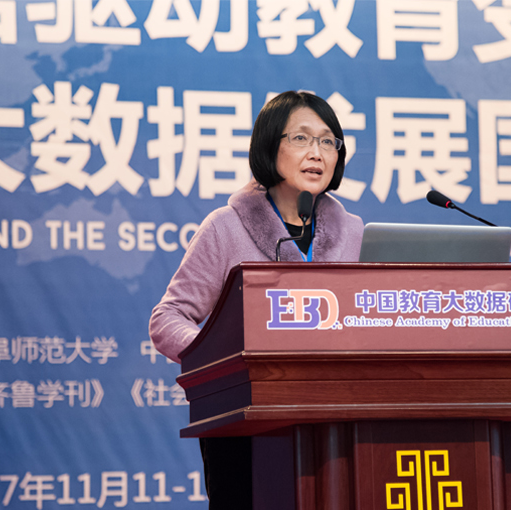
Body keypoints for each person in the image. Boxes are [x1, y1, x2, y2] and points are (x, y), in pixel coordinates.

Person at [147, 91, 364, 510]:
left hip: (335, 419)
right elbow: (168, 317)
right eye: (301, 138)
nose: (317, 152)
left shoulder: (353, 232)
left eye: (328, 141)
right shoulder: (226, 227)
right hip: (246, 425)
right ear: (269, 145)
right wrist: (224, 361)